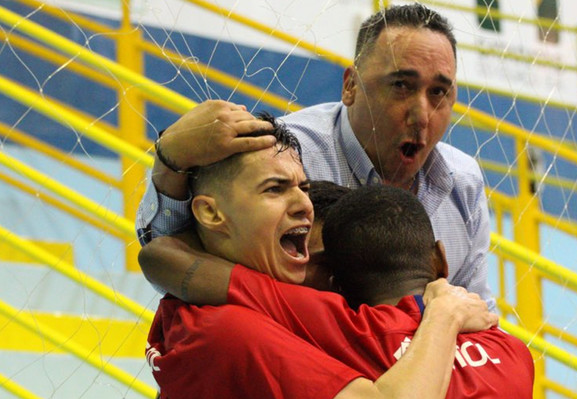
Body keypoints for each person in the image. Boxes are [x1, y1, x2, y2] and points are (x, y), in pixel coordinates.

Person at [144, 114, 499, 399]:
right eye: (275, 189)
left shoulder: (192, 302)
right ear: (209, 212)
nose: (303, 203)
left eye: (303, 186)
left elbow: (159, 254)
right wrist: (444, 312)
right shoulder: (235, 331)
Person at [136, 3, 496, 312]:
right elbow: (166, 259)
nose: (422, 114)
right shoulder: (283, 156)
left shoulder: (463, 182)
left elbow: (476, 311)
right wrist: (170, 160)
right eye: (401, 85)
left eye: (438, 92)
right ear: (350, 86)